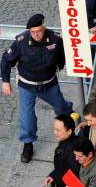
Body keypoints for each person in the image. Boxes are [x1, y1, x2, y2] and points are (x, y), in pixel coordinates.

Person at [1, 14, 72, 163]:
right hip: (28, 85)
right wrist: (6, 81)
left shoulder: (55, 39)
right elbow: (6, 61)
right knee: (27, 118)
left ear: (44, 27)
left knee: (62, 109)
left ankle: (68, 118)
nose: (36, 35)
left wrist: (60, 67)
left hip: (49, 83)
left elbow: (62, 57)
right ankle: (28, 144)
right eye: (32, 32)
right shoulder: (21, 41)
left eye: (39, 31)